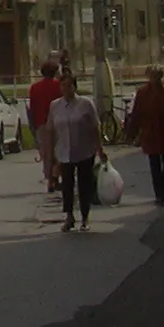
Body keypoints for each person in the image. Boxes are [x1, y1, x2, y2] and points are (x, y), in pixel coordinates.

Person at [49, 71, 106, 232]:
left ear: (75, 86)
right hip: (63, 152)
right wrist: (51, 155)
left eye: (69, 85)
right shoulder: (55, 105)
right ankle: (69, 216)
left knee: (84, 185)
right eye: (63, 86)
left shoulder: (85, 104)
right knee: (67, 185)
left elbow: (96, 127)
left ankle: (85, 217)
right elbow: (51, 129)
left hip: (84, 150)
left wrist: (99, 149)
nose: (66, 89)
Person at [128, 66, 164, 205]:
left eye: (157, 76)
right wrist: (132, 132)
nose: (155, 79)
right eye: (152, 76)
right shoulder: (143, 93)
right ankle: (159, 193)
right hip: (151, 134)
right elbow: (137, 114)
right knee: (155, 163)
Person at [27, 60, 63, 194]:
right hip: (58, 122)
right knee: (60, 151)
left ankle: (50, 180)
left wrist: (33, 125)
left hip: (41, 123)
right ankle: (57, 176)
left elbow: (32, 108)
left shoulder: (35, 87)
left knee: (47, 153)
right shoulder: (58, 85)